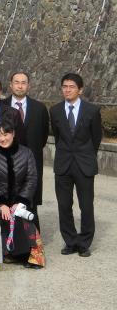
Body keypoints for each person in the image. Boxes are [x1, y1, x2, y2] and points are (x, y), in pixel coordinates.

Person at [50, 72, 102, 257]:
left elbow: (96, 138)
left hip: (84, 163)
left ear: (80, 89)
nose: (67, 90)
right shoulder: (55, 110)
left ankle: (84, 242)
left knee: (86, 205)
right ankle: (70, 241)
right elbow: (58, 137)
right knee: (64, 205)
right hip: (63, 163)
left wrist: (86, 155)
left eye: (72, 86)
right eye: (65, 86)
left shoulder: (92, 110)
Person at [0, 117, 45, 268]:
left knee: (24, 216)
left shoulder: (26, 153)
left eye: (5, 134)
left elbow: (31, 178)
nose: (2, 138)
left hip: (20, 199)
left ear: (13, 133)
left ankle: (30, 255)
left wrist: (21, 201)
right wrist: (0, 203)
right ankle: (13, 253)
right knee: (7, 215)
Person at [7, 71, 50, 214]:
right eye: (16, 82)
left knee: (30, 202)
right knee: (7, 200)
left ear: (29, 86)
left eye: (23, 83)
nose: (20, 86)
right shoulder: (2, 106)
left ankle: (32, 235)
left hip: (32, 160)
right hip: (7, 160)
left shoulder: (40, 108)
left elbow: (43, 136)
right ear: (11, 85)